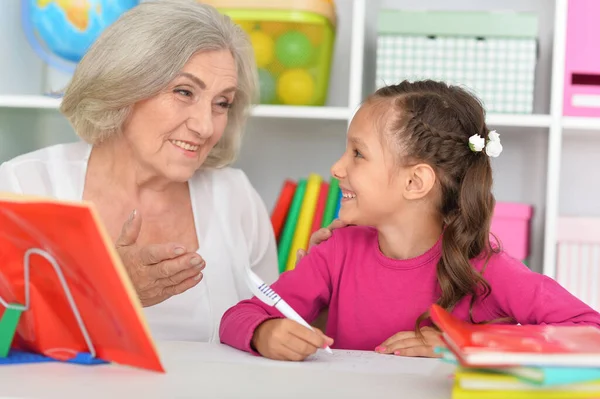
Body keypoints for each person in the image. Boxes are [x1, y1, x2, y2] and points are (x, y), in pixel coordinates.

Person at [219, 80, 600, 361]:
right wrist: (264, 333)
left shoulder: (486, 269)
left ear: (415, 182)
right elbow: (240, 316)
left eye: (358, 154)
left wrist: (464, 345)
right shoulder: (336, 252)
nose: (337, 168)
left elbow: (590, 334)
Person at [0, 0, 294, 343]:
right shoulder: (24, 186)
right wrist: (110, 290)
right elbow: (8, 344)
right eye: (184, 91)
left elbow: (264, 334)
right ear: (123, 87)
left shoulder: (235, 196)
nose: (204, 126)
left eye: (222, 103)